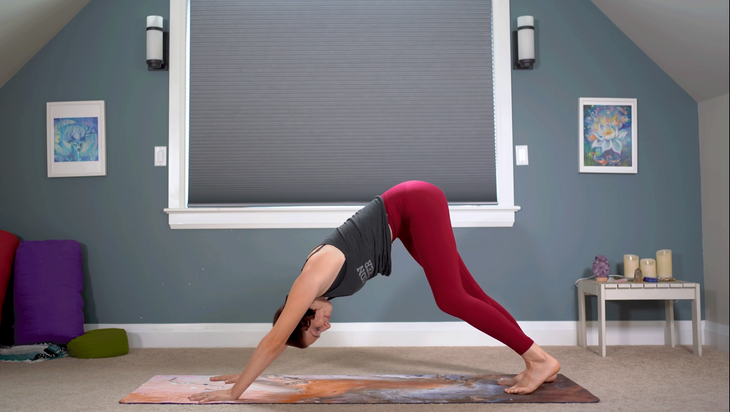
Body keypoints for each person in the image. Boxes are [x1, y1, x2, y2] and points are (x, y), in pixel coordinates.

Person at [189, 181, 560, 403]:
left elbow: (274, 340)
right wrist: (242, 376)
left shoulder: (310, 279)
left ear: (303, 315)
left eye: (315, 329)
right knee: (468, 291)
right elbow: (278, 342)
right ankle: (535, 361)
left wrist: (234, 393)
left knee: (450, 298)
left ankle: (540, 360)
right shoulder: (322, 291)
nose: (325, 329)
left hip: (414, 202)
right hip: (408, 217)